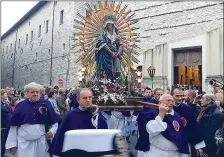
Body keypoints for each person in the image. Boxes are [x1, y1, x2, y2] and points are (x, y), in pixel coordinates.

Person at [48, 88, 108, 156]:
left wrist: (95, 115)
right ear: (78, 100)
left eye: (90, 97)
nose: (88, 100)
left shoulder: (96, 113)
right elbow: (61, 135)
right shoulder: (70, 115)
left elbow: (103, 130)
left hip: (92, 150)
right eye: (85, 98)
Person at [5, 82, 59, 157]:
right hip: (24, 143)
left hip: (41, 142)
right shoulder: (20, 106)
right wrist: (12, 144)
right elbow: (14, 126)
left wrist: (52, 131)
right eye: (32, 92)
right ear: (27, 94)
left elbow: (55, 122)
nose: (35, 94)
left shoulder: (46, 104)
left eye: (37, 92)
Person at [172, 87, 206, 157]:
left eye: (181, 96)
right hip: (170, 144)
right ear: (172, 95)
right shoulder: (166, 108)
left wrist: (198, 146)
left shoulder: (187, 108)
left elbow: (193, 126)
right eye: (177, 96)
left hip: (185, 142)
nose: (180, 98)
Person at [95, 14, 123, 80]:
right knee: (106, 69)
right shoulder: (103, 34)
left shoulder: (116, 35)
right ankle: (105, 81)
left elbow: (120, 44)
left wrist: (118, 53)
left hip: (115, 54)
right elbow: (102, 43)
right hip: (106, 54)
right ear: (106, 25)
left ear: (113, 25)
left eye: (111, 25)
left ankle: (115, 81)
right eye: (108, 25)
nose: (110, 26)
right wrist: (110, 53)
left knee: (117, 69)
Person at [1, 89, 12, 157]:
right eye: (5, 94)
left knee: (4, 139)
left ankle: (2, 153)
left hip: (7, 124)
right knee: (1, 139)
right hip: (2, 124)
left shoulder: (6, 103)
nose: (6, 95)